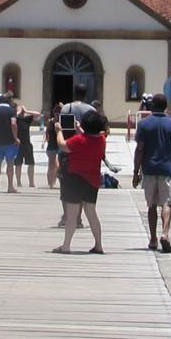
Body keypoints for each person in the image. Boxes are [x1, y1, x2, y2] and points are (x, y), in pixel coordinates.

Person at [54, 109, 112, 254]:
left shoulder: (78, 140)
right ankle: (98, 245)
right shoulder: (101, 140)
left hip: (74, 178)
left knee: (72, 214)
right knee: (91, 213)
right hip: (92, 180)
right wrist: (80, 128)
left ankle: (66, 245)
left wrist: (59, 131)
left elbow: (63, 145)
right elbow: (90, 137)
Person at [133, 93, 171, 254]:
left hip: (148, 169)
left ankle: (153, 239)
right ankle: (165, 234)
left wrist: (136, 172)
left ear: (151, 105)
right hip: (167, 169)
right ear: (166, 106)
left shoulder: (143, 124)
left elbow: (140, 149)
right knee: (166, 204)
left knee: (151, 206)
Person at [15, 101, 38, 188]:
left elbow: (38, 114)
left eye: (22, 111)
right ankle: (18, 182)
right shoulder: (16, 119)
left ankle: (31, 182)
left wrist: (27, 111)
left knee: (31, 163)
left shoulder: (26, 119)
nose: (21, 112)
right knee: (18, 164)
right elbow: (12, 116)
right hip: (18, 144)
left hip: (27, 143)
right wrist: (18, 111)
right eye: (20, 110)